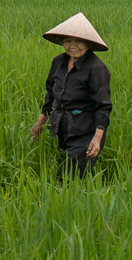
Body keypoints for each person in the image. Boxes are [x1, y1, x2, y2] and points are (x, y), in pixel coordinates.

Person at [29, 12, 112, 180]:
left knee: (67, 179)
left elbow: (103, 106)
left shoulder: (96, 68)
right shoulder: (58, 62)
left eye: (78, 41)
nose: (72, 46)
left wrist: (96, 139)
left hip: (86, 132)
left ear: (88, 42)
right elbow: (51, 95)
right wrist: (39, 124)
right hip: (63, 128)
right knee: (69, 174)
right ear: (62, 42)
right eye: (68, 41)